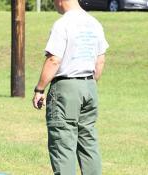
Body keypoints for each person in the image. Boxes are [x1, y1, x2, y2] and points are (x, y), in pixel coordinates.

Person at [32, 0, 109, 174]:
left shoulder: (63, 24)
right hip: (89, 86)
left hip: (66, 88)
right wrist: (89, 84)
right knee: (88, 141)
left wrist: (39, 89)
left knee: (63, 142)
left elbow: (54, 60)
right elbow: (100, 59)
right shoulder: (94, 23)